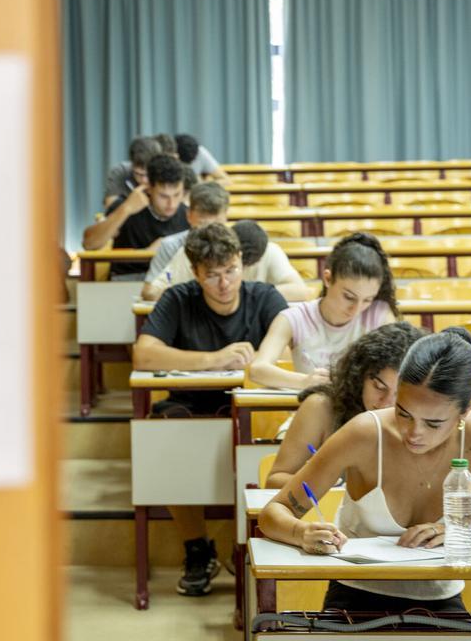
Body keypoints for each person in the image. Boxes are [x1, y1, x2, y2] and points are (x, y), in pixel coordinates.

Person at [259, 327, 471, 613]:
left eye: (434, 423)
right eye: (403, 413)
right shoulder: (364, 432)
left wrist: (464, 530)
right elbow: (273, 513)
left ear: (465, 413)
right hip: (355, 597)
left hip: (442, 599)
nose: (414, 433)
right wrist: (301, 533)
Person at [134, 223, 288, 596]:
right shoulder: (178, 299)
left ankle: (249, 542)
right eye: (212, 275)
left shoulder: (264, 297)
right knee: (165, 438)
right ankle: (197, 547)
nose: (224, 283)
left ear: (242, 262)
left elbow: (290, 350)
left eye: (231, 270)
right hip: (189, 405)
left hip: (254, 406)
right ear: (195, 272)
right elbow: (144, 354)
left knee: (274, 443)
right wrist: (213, 359)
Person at [265, 322, 425, 489]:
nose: (386, 403)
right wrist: (321, 483)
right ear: (359, 376)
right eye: (378, 387)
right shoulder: (321, 407)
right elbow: (274, 481)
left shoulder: (427, 420)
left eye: (400, 393)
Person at [248, 233, 398, 391]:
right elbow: (257, 370)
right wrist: (304, 381)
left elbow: (399, 368)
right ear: (328, 279)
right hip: (312, 403)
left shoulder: (380, 314)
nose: (356, 309)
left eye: (368, 300)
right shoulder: (294, 318)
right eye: (349, 297)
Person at [141, 184, 308, 303]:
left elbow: (300, 291)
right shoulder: (188, 254)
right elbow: (151, 292)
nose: (209, 233)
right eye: (203, 225)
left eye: (217, 225)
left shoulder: (267, 250)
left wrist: (246, 293)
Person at [82, 154, 188, 279]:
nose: (172, 204)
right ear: (149, 188)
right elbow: (89, 244)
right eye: (163, 196)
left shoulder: (188, 215)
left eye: (177, 195)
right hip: (126, 278)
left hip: (168, 280)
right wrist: (126, 209)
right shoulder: (127, 204)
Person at [103, 136, 163, 207]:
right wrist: (130, 205)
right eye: (138, 174)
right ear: (131, 164)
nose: (144, 180)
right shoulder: (120, 172)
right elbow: (110, 209)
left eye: (148, 174)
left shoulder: (166, 174)